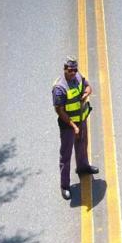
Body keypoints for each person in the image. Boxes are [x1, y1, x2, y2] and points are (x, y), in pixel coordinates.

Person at [52, 57, 97, 200]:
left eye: (75, 70)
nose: (73, 73)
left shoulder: (78, 77)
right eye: (70, 70)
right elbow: (59, 111)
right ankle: (65, 186)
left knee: (82, 145)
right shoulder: (59, 88)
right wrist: (73, 126)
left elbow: (88, 86)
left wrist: (86, 93)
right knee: (65, 155)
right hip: (68, 126)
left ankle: (83, 167)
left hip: (81, 119)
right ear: (65, 69)